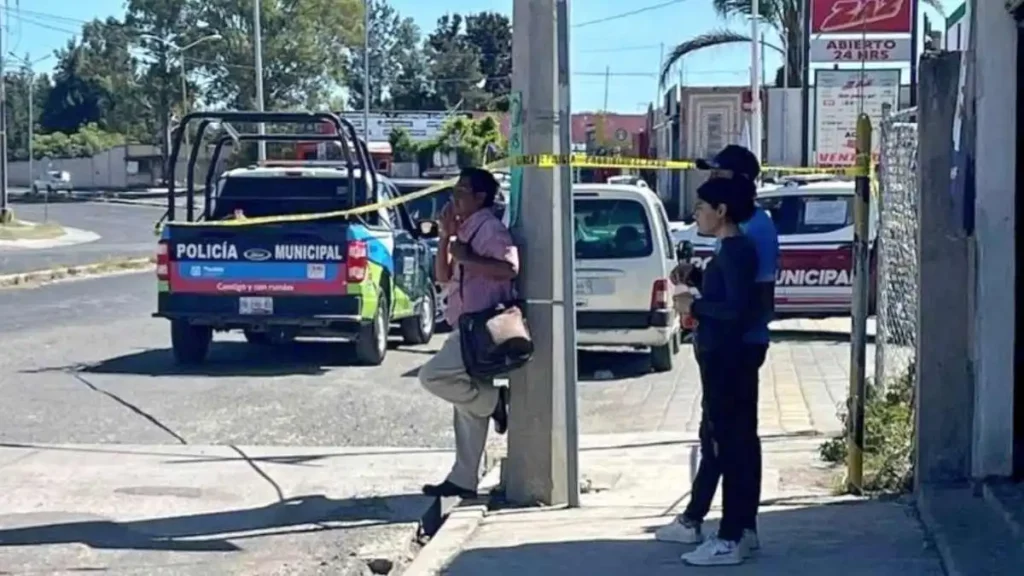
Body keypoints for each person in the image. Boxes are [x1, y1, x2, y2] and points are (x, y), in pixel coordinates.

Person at [665, 177, 762, 566]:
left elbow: (736, 311)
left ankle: (730, 537)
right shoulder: (728, 251)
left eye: (701, 207)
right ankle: (734, 532)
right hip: (721, 361)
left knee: (729, 448)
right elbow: (727, 294)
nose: (696, 214)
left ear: (721, 211)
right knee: (722, 443)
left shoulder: (737, 251)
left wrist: (694, 306)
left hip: (729, 362)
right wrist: (698, 280)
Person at [419, 167, 517, 499]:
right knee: (465, 408)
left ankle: (494, 402)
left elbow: (509, 268)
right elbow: (444, 275)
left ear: (480, 198)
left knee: (432, 376)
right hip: (463, 321)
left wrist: (469, 257)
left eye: (462, 192)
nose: (454, 198)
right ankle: (463, 478)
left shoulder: (488, 228)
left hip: (482, 326)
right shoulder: (464, 229)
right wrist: (446, 237)